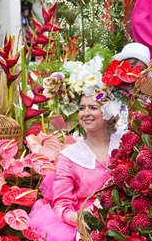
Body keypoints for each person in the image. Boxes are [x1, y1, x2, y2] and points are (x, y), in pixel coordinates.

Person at [29, 90, 124, 240]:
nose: (85, 113)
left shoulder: (125, 143)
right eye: (81, 108)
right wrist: (82, 220)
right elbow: (61, 204)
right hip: (87, 226)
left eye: (93, 107)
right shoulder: (69, 157)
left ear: (108, 112)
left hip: (126, 216)